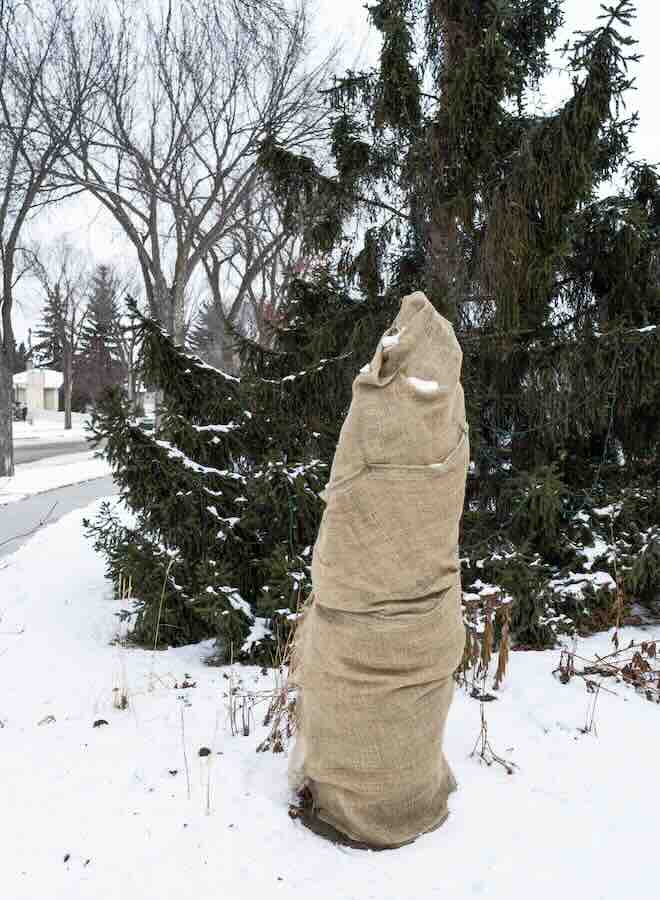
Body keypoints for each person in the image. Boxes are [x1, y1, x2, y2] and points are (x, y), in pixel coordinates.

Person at [289, 291, 469, 849]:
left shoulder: (398, 406)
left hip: (412, 607)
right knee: (351, 637)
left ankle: (365, 801)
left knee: (365, 638)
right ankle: (379, 796)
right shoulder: (424, 413)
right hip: (366, 606)